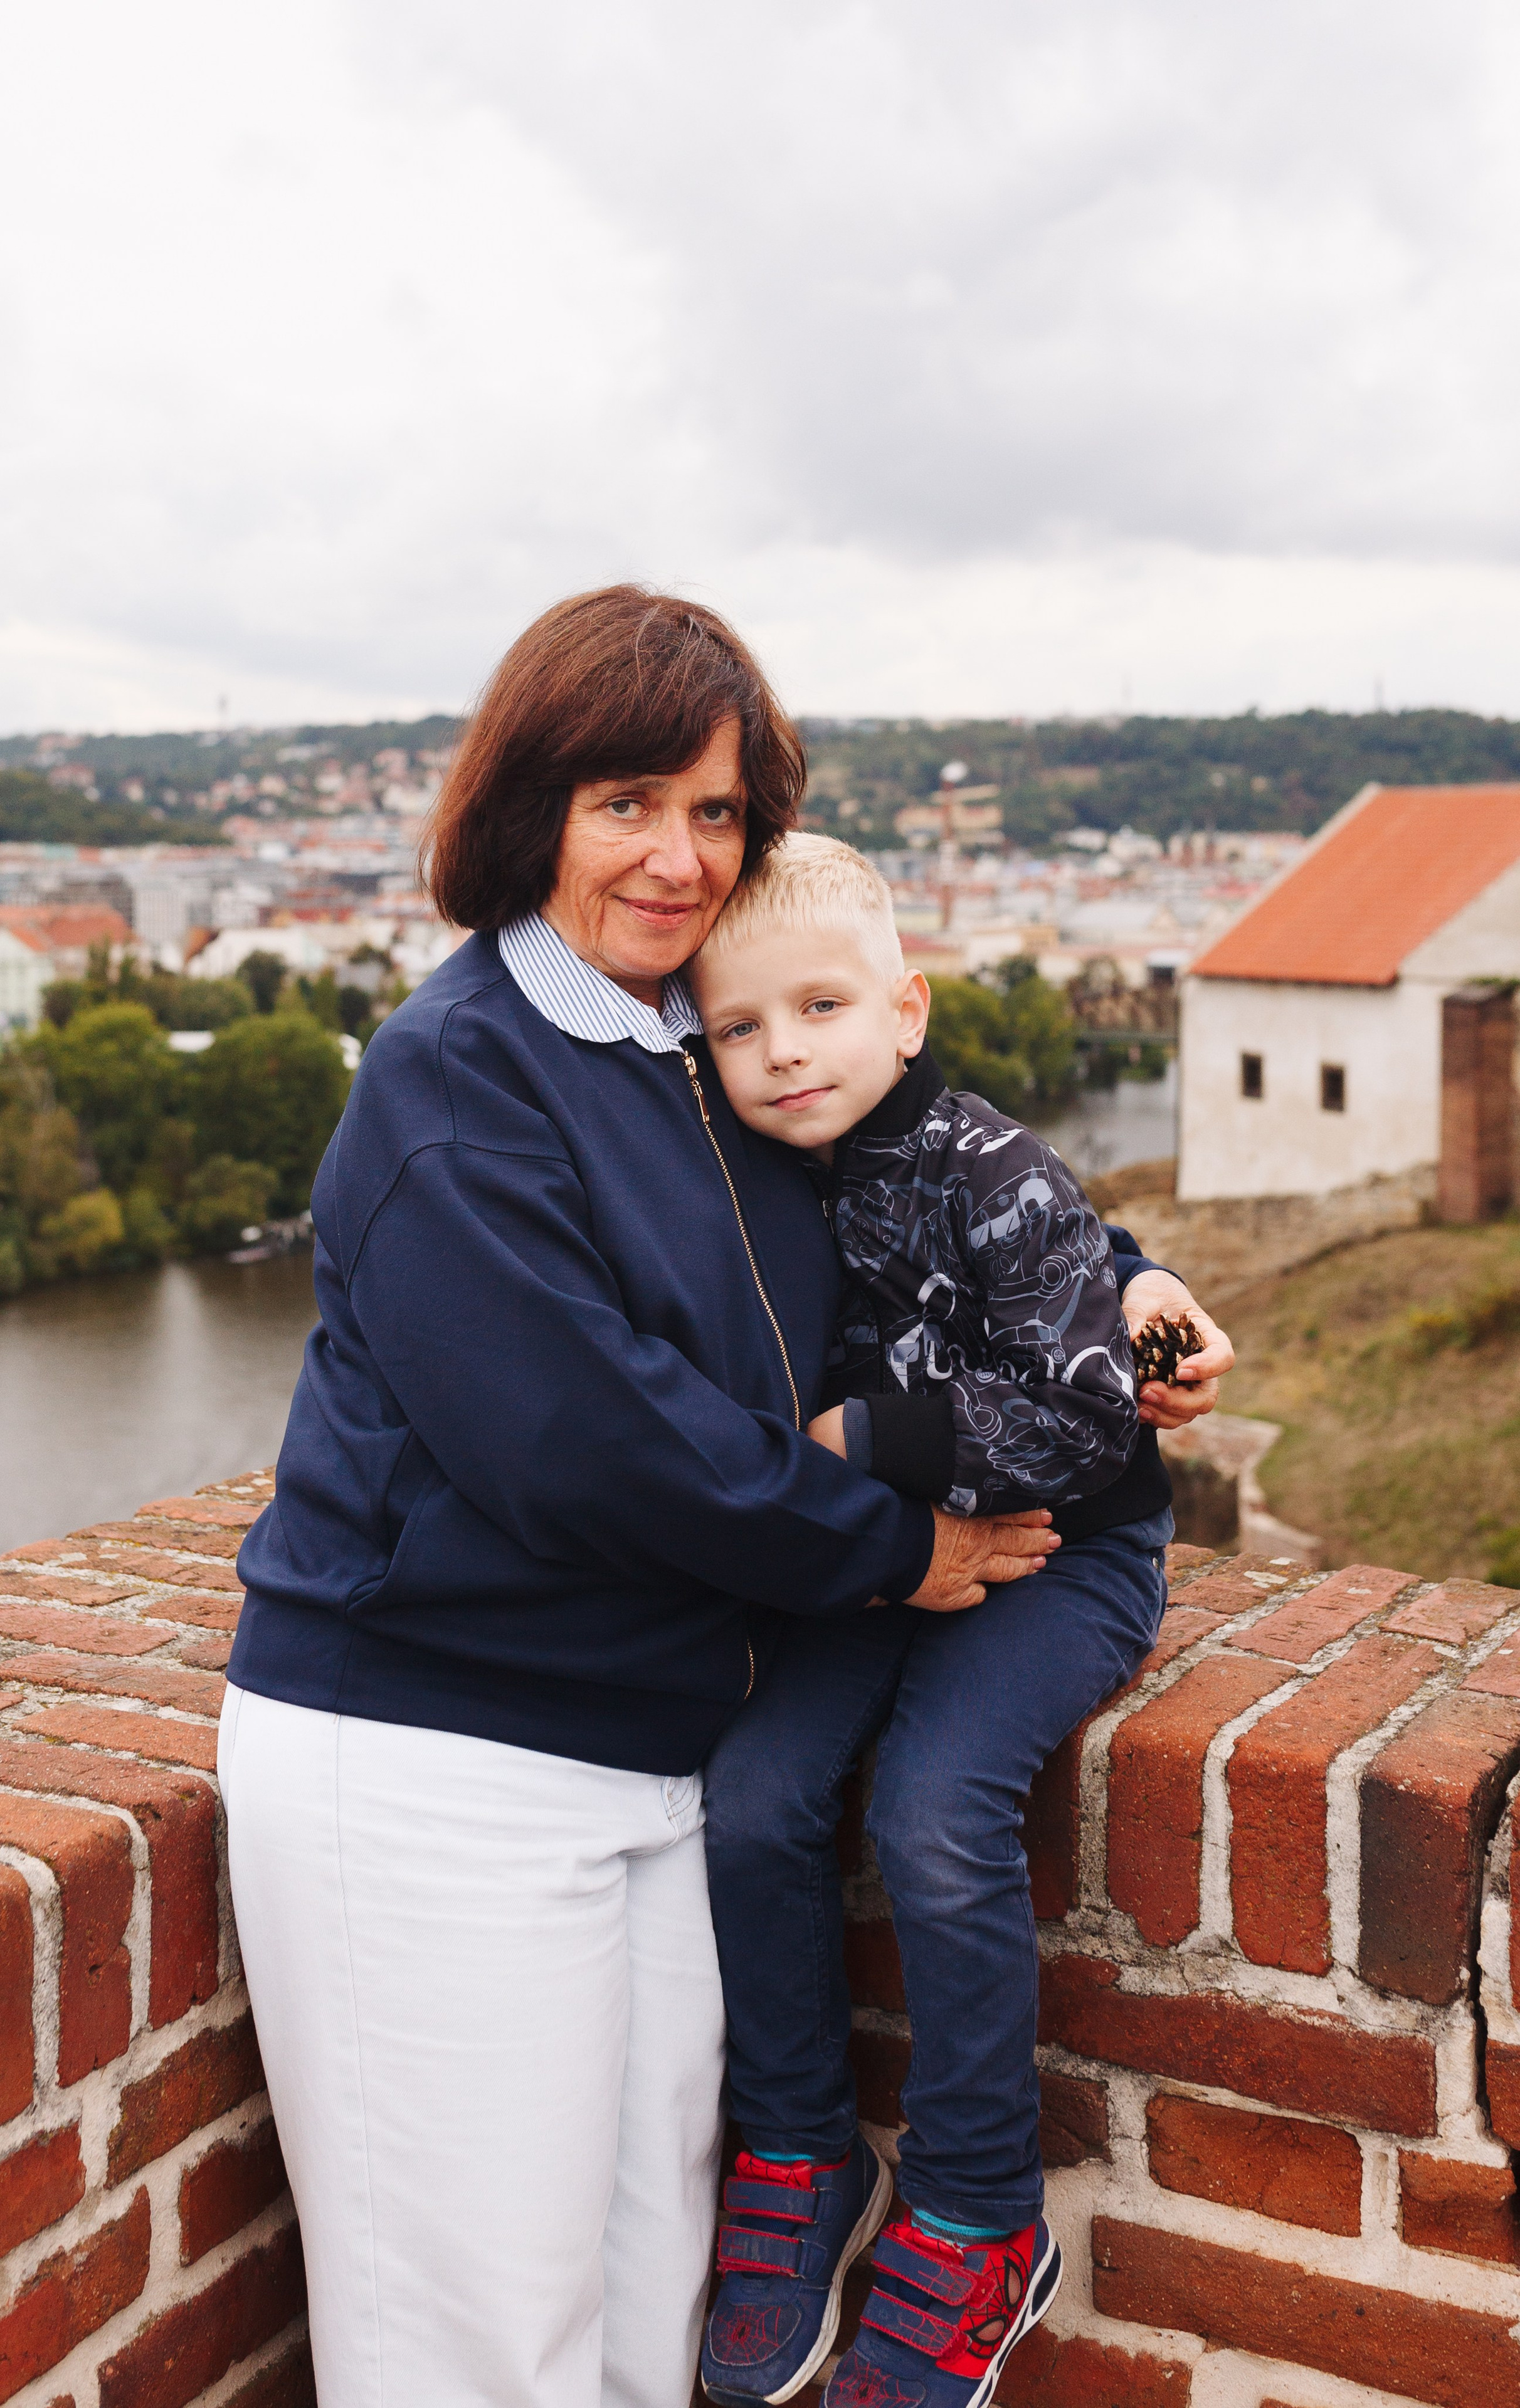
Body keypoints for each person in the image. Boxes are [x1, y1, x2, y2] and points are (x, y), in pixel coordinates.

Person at [216, 588, 1228, 2408]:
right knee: (474, 2355)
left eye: (717, 810)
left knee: (638, 2334)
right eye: (626, 803)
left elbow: (916, 1181)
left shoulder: (702, 1044)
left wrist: (1124, 1282)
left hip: (660, 1752)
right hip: (442, 1756)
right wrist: (902, 1545)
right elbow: (597, 1447)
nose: (679, 859)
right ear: (530, 809)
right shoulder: (458, 1081)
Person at [688, 835, 1233, 2408]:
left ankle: (980, 2209)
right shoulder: (742, 1172)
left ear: (905, 1009)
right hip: (877, 1564)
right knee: (753, 1797)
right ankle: (801, 2149)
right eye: (739, 1028)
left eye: (820, 1007)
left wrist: (861, 1439)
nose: (783, 1052)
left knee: (932, 1808)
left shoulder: (989, 1165)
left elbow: (1084, 1409)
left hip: (1065, 1553)